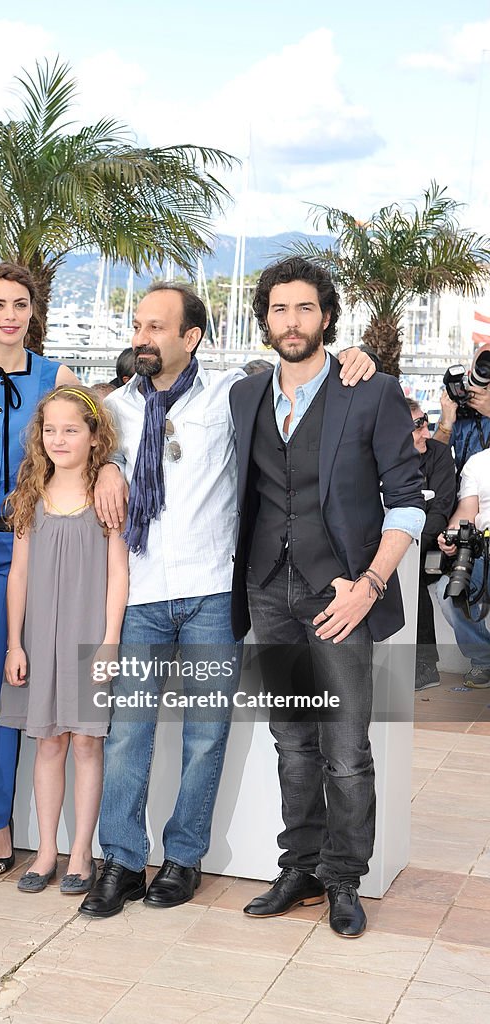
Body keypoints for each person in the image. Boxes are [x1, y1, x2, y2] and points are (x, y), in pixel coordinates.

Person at [79, 282, 377, 919]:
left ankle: (183, 860)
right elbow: (71, 442)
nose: (143, 338)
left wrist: (359, 356)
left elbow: (304, 383)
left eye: (157, 327)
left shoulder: (234, 395)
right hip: (140, 594)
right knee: (127, 735)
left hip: (215, 592)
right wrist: (105, 465)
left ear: (191, 338)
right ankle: (121, 862)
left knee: (204, 739)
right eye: (138, 325)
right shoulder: (113, 410)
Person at [231, 256, 425, 938]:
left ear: (326, 317)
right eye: (279, 309)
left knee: (345, 750)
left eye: (304, 308)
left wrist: (370, 585)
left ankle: (344, 879)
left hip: (341, 594)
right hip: (265, 593)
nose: (291, 321)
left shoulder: (368, 393)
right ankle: (300, 867)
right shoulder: (244, 395)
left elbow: (406, 503)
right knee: (290, 743)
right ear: (264, 321)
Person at [0, 262, 123, 876]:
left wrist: (114, 470)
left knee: (3, 689)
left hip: (28, 549)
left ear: (33, 311)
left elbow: (101, 434)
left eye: (21, 303)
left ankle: (3, 828)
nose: (10, 315)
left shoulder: (57, 377)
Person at [0, 386, 128, 894]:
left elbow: (119, 574)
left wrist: (110, 640)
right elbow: (18, 574)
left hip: (88, 637)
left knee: (87, 744)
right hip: (39, 639)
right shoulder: (31, 493)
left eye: (71, 429)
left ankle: (81, 855)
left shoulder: (106, 495)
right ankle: (47, 850)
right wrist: (15, 643)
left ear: (95, 438)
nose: (58, 438)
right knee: (48, 744)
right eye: (50, 429)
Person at [406, 399, 456, 690]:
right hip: (390, 543)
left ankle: (426, 665)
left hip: (430, 545)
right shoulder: (380, 454)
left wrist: (402, 544)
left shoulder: (438, 454)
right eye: (417, 426)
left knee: (409, 574)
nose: (426, 431)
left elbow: (439, 513)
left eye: (425, 421)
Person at [436, 445, 490, 687]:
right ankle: (484, 660)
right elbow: (466, 511)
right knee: (448, 591)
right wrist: (451, 534)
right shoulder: (478, 462)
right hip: (484, 549)